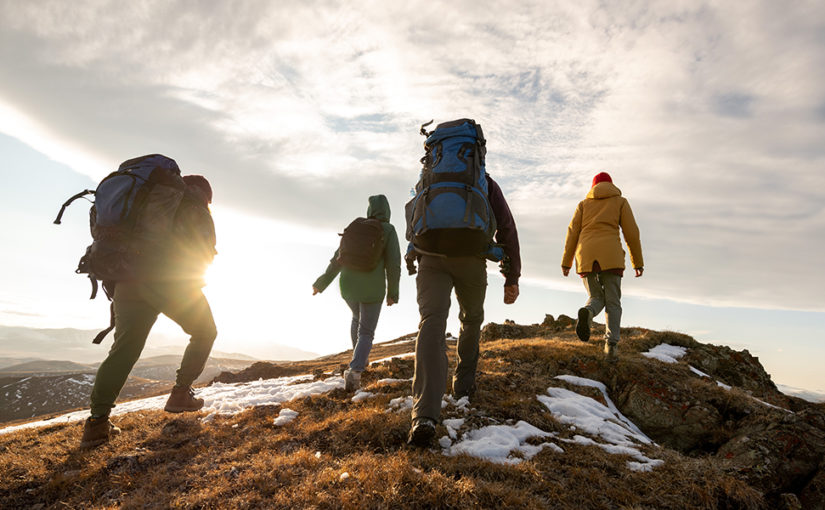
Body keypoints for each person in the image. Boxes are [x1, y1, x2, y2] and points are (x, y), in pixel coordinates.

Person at [80, 174, 218, 449]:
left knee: (124, 350)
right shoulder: (193, 204)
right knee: (204, 331)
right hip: (169, 282)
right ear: (204, 194)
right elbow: (203, 251)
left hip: (125, 280)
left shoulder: (143, 203)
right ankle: (180, 394)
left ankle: (97, 423)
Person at [407, 174, 521, 447]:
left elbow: (412, 219)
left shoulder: (429, 178)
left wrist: (414, 254)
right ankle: (463, 386)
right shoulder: (483, 181)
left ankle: (424, 416)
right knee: (470, 319)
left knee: (432, 322)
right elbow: (506, 227)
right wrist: (512, 277)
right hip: (471, 259)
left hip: (430, 259)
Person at [312, 195, 401, 391]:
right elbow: (394, 264)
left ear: (370, 210)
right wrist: (393, 292)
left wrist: (321, 283)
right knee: (366, 331)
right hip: (372, 288)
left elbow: (337, 258)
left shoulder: (356, 227)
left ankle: (358, 358)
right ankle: (355, 370)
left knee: (356, 317)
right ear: (387, 211)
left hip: (348, 286)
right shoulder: (388, 230)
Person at [561, 172, 643, 360]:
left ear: (593, 186)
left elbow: (572, 233)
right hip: (611, 256)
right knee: (613, 301)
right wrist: (637, 262)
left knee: (595, 296)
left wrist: (566, 262)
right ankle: (611, 346)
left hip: (586, 256)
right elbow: (632, 233)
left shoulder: (583, 204)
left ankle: (588, 313)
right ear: (611, 185)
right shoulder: (620, 202)